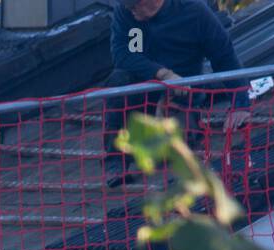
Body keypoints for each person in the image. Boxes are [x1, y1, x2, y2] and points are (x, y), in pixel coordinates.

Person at [105, 0, 250, 185]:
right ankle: (116, 161)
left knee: (170, 152)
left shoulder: (193, 11)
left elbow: (224, 56)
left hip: (183, 93)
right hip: (142, 90)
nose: (131, 11)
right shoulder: (126, 14)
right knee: (118, 80)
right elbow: (123, 55)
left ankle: (180, 130)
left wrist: (240, 103)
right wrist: (163, 74)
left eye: (134, 7)